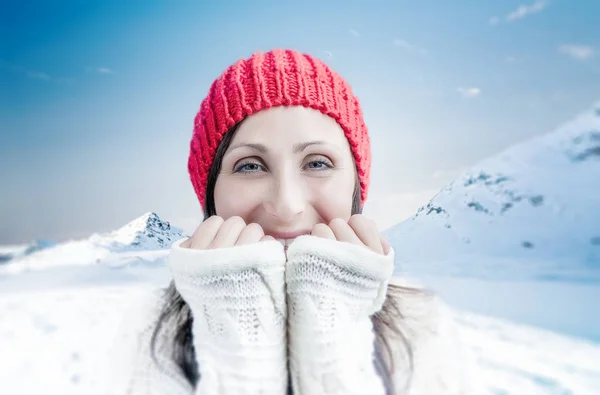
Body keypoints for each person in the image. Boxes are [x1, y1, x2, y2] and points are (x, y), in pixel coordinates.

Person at [106, 49, 480, 395]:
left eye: (317, 163)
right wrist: (237, 344)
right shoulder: (151, 333)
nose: (286, 206)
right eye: (249, 165)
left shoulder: (421, 328)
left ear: (355, 183)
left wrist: (334, 342)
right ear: (210, 192)